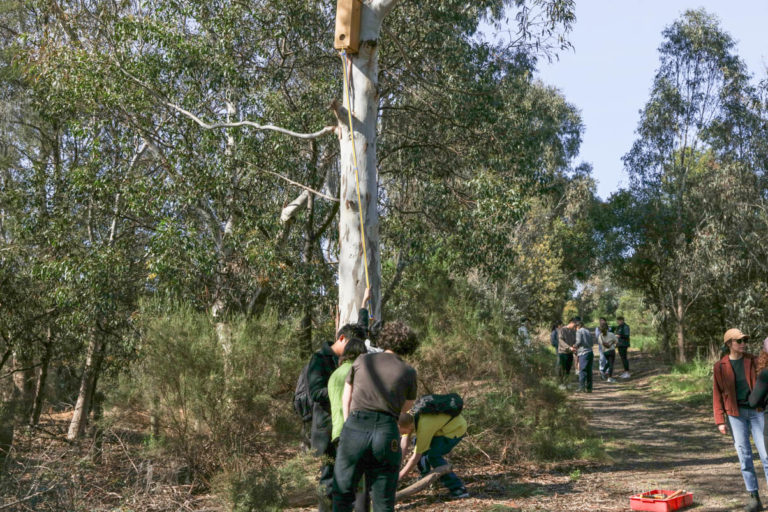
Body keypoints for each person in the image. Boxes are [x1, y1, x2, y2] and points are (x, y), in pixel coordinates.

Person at [332, 321, 420, 512]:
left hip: (356, 426)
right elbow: (406, 407)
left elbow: (346, 395)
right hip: (387, 431)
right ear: (408, 345)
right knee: (383, 499)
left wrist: (349, 423)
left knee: (343, 492)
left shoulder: (362, 360)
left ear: (385, 338)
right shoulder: (408, 371)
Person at [307, 323, 367, 511]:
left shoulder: (353, 362)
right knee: (329, 478)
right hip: (327, 427)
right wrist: (341, 390)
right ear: (341, 339)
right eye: (351, 345)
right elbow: (315, 393)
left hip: (350, 427)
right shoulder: (319, 359)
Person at [714, 328, 767, 512]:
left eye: (744, 340)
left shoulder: (753, 360)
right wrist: (720, 420)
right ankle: (754, 498)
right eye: (739, 341)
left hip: (757, 412)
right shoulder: (720, 366)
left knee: (766, 455)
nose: (743, 343)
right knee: (744, 457)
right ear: (729, 344)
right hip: (735, 415)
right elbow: (717, 394)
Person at [328, 338, 369, 512]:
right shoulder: (358, 371)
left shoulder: (335, 374)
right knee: (361, 483)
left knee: (343, 482)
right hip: (356, 430)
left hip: (337, 431)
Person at [397, 411, 469, 499]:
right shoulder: (407, 417)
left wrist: (399, 476)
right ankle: (425, 477)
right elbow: (404, 445)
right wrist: (396, 466)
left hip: (455, 429)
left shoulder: (423, 427)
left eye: (400, 431)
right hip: (438, 428)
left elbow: (415, 457)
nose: (399, 433)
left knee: (433, 455)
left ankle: (458, 488)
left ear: (410, 426)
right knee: (418, 442)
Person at [573, 317, 594, 393]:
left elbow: (578, 341)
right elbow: (592, 343)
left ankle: (581, 387)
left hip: (583, 352)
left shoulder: (579, 332)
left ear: (577, 326)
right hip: (590, 352)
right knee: (589, 370)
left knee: (582, 370)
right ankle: (589, 388)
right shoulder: (588, 331)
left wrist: (574, 346)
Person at [557, 319, 577, 389]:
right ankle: (561, 383)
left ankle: (567, 382)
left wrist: (574, 345)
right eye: (574, 325)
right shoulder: (562, 330)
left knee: (568, 369)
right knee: (562, 369)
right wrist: (569, 347)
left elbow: (575, 340)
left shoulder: (573, 331)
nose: (575, 327)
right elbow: (561, 341)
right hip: (563, 352)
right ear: (571, 323)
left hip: (570, 353)